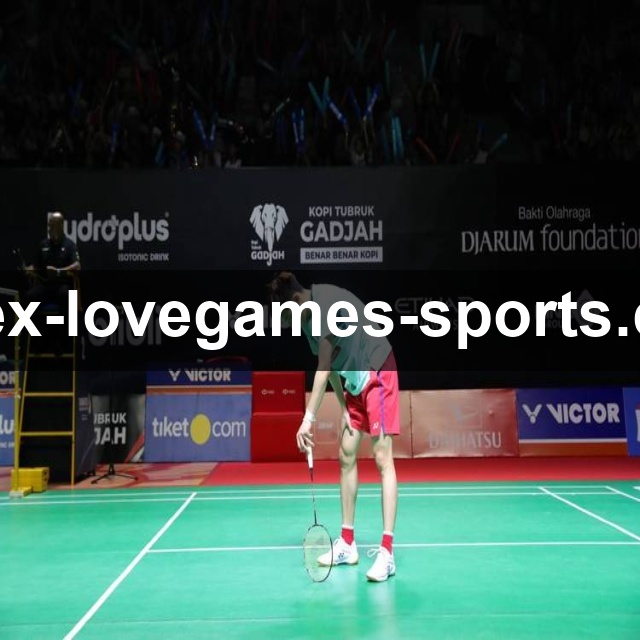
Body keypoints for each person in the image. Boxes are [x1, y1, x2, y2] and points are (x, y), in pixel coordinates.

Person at [268, 271, 400, 582]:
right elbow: (336, 368)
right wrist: (343, 408)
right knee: (346, 454)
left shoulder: (325, 305)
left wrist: (307, 420)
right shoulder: (307, 323)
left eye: (285, 316)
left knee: (383, 458)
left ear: (296, 300)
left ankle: (387, 553)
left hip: (377, 369)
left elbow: (324, 368)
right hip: (353, 379)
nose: (285, 324)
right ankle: (348, 544)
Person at [23, 211, 81, 309]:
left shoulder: (70, 245)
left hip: (62, 285)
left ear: (61, 226)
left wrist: (58, 271)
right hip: (44, 285)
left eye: (53, 226)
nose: (50, 229)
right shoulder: (43, 245)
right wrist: (30, 269)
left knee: (66, 296)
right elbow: (36, 265)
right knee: (28, 297)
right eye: (49, 226)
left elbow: (77, 267)